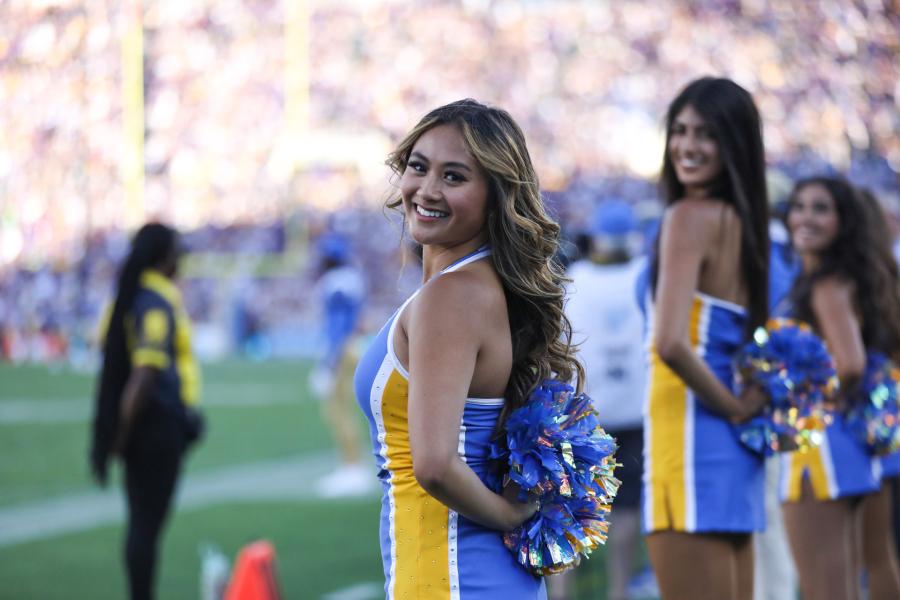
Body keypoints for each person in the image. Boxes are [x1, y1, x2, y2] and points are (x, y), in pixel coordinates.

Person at [353, 99, 582, 598]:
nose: (427, 190)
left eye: (454, 177)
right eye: (419, 166)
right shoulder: (471, 287)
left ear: (496, 196)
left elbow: (434, 464)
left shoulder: (451, 297)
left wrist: (511, 516)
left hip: (456, 581)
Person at [642, 77, 769, 600]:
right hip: (729, 452)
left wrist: (736, 408)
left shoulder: (687, 216)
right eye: (679, 130)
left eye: (706, 134)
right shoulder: (743, 219)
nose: (687, 146)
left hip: (692, 441)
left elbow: (670, 341)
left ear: (734, 143)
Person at [778, 177, 900, 600]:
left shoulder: (826, 283)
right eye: (799, 206)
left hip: (820, 450)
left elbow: (849, 363)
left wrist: (793, 406)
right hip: (845, 445)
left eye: (820, 208)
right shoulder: (839, 278)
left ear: (842, 221)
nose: (806, 217)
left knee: (824, 590)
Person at [90, 223, 203, 600]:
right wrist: (119, 432)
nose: (182, 257)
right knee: (145, 527)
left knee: (142, 525)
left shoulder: (135, 294)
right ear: (163, 256)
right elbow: (145, 373)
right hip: (154, 428)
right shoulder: (155, 301)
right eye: (177, 249)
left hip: (147, 426)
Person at [557, 200, 648, 600]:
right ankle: (619, 590)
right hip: (636, 408)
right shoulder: (647, 276)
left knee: (569, 507)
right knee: (626, 508)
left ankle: (560, 593)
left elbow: (558, 349)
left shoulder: (573, 281)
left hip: (584, 411)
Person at [308, 232, 372, 497]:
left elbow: (338, 324)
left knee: (337, 410)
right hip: (352, 347)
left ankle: (352, 468)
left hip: (343, 350)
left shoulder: (334, 282)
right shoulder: (351, 277)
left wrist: (328, 361)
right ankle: (351, 467)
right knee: (341, 408)